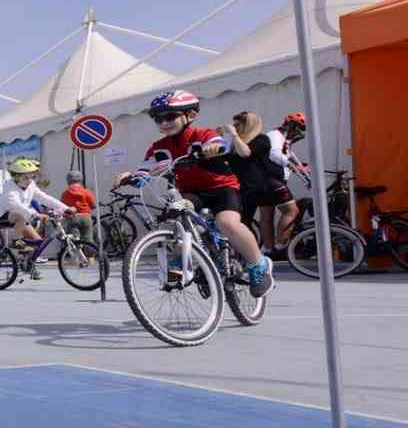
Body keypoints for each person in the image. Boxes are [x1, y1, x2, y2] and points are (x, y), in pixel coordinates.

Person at [118, 90, 273, 296]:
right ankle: (176, 274)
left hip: (222, 189)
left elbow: (218, 143)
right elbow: (147, 166)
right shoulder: (159, 147)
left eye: (170, 116)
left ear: (190, 116)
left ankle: (259, 266)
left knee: (227, 223)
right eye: (158, 119)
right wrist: (131, 176)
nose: (164, 123)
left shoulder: (203, 134)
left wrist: (213, 149)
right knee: (171, 221)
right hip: (192, 194)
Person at [226, 111, 304, 257]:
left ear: (248, 124)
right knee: (258, 218)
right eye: (234, 125)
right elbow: (234, 159)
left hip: (260, 186)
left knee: (275, 214)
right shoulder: (240, 143)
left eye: (237, 124)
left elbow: (247, 154)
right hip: (253, 187)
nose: (234, 127)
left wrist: (234, 136)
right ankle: (271, 249)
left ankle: (275, 247)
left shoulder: (261, 139)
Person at [0, 158, 74, 280]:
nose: (30, 180)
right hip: (2, 216)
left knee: (38, 242)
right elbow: (17, 206)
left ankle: (28, 265)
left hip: (22, 217)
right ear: (16, 177)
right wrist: (37, 215)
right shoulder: (10, 188)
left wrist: (65, 208)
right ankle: (16, 241)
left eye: (32, 177)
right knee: (18, 216)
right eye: (26, 177)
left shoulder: (30, 185)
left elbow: (44, 198)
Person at [59, 171, 97, 265]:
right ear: (81, 180)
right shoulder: (86, 191)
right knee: (88, 238)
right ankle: (91, 258)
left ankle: (76, 258)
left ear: (68, 181)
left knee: (74, 238)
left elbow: (62, 206)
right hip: (86, 217)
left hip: (72, 218)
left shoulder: (66, 193)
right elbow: (93, 205)